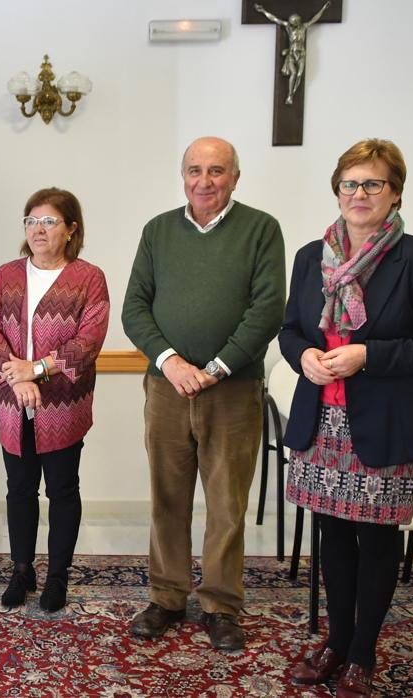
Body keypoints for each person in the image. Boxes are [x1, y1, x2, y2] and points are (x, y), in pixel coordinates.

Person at [280, 139, 413, 696]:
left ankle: (363, 652)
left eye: (372, 184)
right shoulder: (312, 256)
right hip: (321, 421)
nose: (359, 194)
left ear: (395, 193)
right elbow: (291, 330)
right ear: (336, 191)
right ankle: (336, 641)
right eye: (349, 184)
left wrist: (369, 355)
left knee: (376, 540)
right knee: (332, 535)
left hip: (385, 422)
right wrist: (304, 356)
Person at [122, 137, 285, 650]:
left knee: (226, 502)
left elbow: (267, 310)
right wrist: (171, 363)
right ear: (183, 176)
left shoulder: (261, 229)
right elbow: (135, 309)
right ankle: (167, 596)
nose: (205, 181)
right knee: (167, 499)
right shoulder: (158, 231)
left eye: (217, 171)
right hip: (167, 388)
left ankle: (220, 604)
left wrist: (214, 368)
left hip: (232, 391)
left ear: (236, 177)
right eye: (195, 170)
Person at [0, 187, 110, 611]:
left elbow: (88, 341)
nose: (38, 229)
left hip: (64, 407)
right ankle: (21, 571)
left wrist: (36, 370)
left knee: (62, 490)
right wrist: (17, 380)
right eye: (31, 221)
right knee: (18, 490)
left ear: (71, 229)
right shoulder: (6, 276)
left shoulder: (88, 278)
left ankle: (57, 577)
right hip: (12, 405)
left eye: (49, 221)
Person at [254, 1, 331, 105]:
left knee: (299, 74)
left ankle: (293, 94)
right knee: (294, 73)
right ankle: (289, 95)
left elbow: (314, 19)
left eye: (294, 22)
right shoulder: (288, 28)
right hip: (291, 55)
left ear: (298, 22)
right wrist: (263, 11)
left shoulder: (304, 27)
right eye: (292, 22)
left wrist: (324, 8)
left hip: (301, 54)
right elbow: (275, 19)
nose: (293, 24)